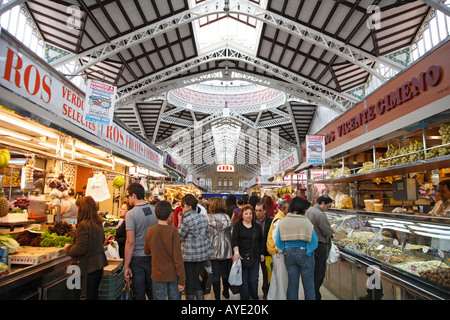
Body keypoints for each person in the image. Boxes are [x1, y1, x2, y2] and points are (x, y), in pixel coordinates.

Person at [64, 196, 108, 300]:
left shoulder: (83, 225)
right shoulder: (98, 223)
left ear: (83, 209)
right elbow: (101, 241)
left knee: (81, 296)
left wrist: (68, 248)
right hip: (97, 266)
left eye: (78, 208)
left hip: (86, 268)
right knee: (92, 295)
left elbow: (79, 249)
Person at [275, 197, 318, 300]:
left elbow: (278, 242)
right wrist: (308, 251)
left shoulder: (283, 221)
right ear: (302, 208)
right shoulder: (306, 222)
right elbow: (314, 241)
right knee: (308, 285)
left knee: (292, 284)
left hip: (289, 254)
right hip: (304, 252)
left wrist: (286, 249)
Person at [144, 200, 185, 300]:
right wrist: (182, 280)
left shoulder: (150, 231)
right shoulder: (173, 231)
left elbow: (146, 251)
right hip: (173, 274)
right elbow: (178, 257)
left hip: (157, 274)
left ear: (155, 213)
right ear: (171, 215)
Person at [124, 182, 158, 300]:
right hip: (153, 256)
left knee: (139, 293)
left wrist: (126, 265)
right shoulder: (155, 211)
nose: (127, 199)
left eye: (127, 196)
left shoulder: (131, 214)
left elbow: (130, 242)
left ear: (133, 195)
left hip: (137, 259)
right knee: (153, 291)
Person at [178, 194, 213, 300]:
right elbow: (207, 235)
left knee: (189, 280)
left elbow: (179, 237)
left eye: (183, 206)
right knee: (197, 279)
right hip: (201, 254)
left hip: (189, 255)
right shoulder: (203, 217)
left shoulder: (187, 220)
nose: (182, 208)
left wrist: (179, 222)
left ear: (189, 207)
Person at [231, 204, 264, 300]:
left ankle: (254, 296)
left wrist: (262, 253)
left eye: (250, 213)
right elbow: (234, 240)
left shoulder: (257, 227)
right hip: (242, 256)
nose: (248, 215)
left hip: (255, 256)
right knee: (243, 280)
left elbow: (261, 241)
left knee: (254, 279)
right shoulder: (238, 226)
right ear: (242, 215)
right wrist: (236, 253)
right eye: (246, 213)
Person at [305, 195, 334, 300]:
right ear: (322, 203)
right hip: (320, 245)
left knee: (312, 272)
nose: (327, 208)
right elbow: (326, 231)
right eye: (327, 206)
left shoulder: (308, 211)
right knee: (319, 272)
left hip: (310, 245)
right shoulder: (320, 214)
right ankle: (315, 295)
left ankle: (311, 294)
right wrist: (332, 229)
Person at [207, 197, 233, 300]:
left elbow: (205, 234)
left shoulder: (208, 218)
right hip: (226, 248)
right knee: (225, 273)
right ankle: (226, 292)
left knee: (215, 274)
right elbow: (231, 233)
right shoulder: (227, 217)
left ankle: (217, 297)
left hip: (212, 248)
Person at [267, 199, 290, 300]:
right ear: (283, 209)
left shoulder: (281, 217)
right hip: (278, 254)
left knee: (276, 279)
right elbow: (276, 238)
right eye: (289, 209)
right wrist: (280, 250)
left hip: (276, 253)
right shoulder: (280, 220)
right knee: (281, 280)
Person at [255, 202, 273, 299]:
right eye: (256, 211)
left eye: (260, 211)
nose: (258, 213)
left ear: (265, 211)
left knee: (266, 273)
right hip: (254, 251)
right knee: (254, 274)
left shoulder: (270, 222)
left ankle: (266, 291)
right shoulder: (253, 221)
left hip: (266, 252)